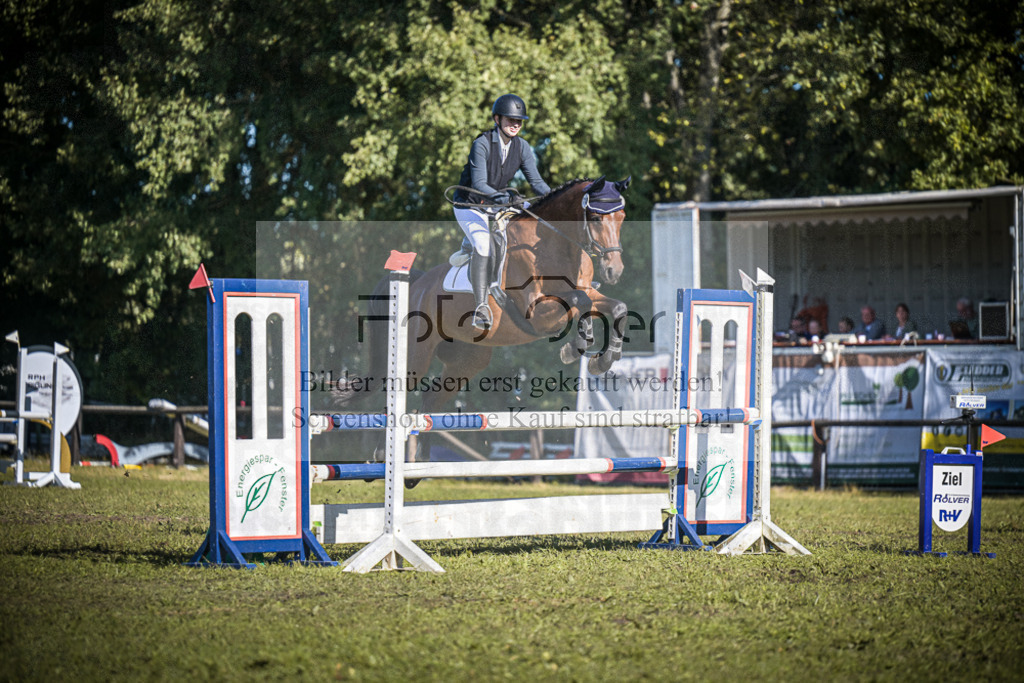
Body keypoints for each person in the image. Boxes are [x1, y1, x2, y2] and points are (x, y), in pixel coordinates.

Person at [452, 94, 551, 330]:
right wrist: (506, 199)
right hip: (470, 206)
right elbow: (479, 184)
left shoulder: (522, 147)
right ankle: (481, 307)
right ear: (497, 119)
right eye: (510, 120)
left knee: (531, 231)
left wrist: (557, 198)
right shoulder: (482, 143)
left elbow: (537, 183)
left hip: (497, 206)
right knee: (484, 244)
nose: (515, 124)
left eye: (519, 121)